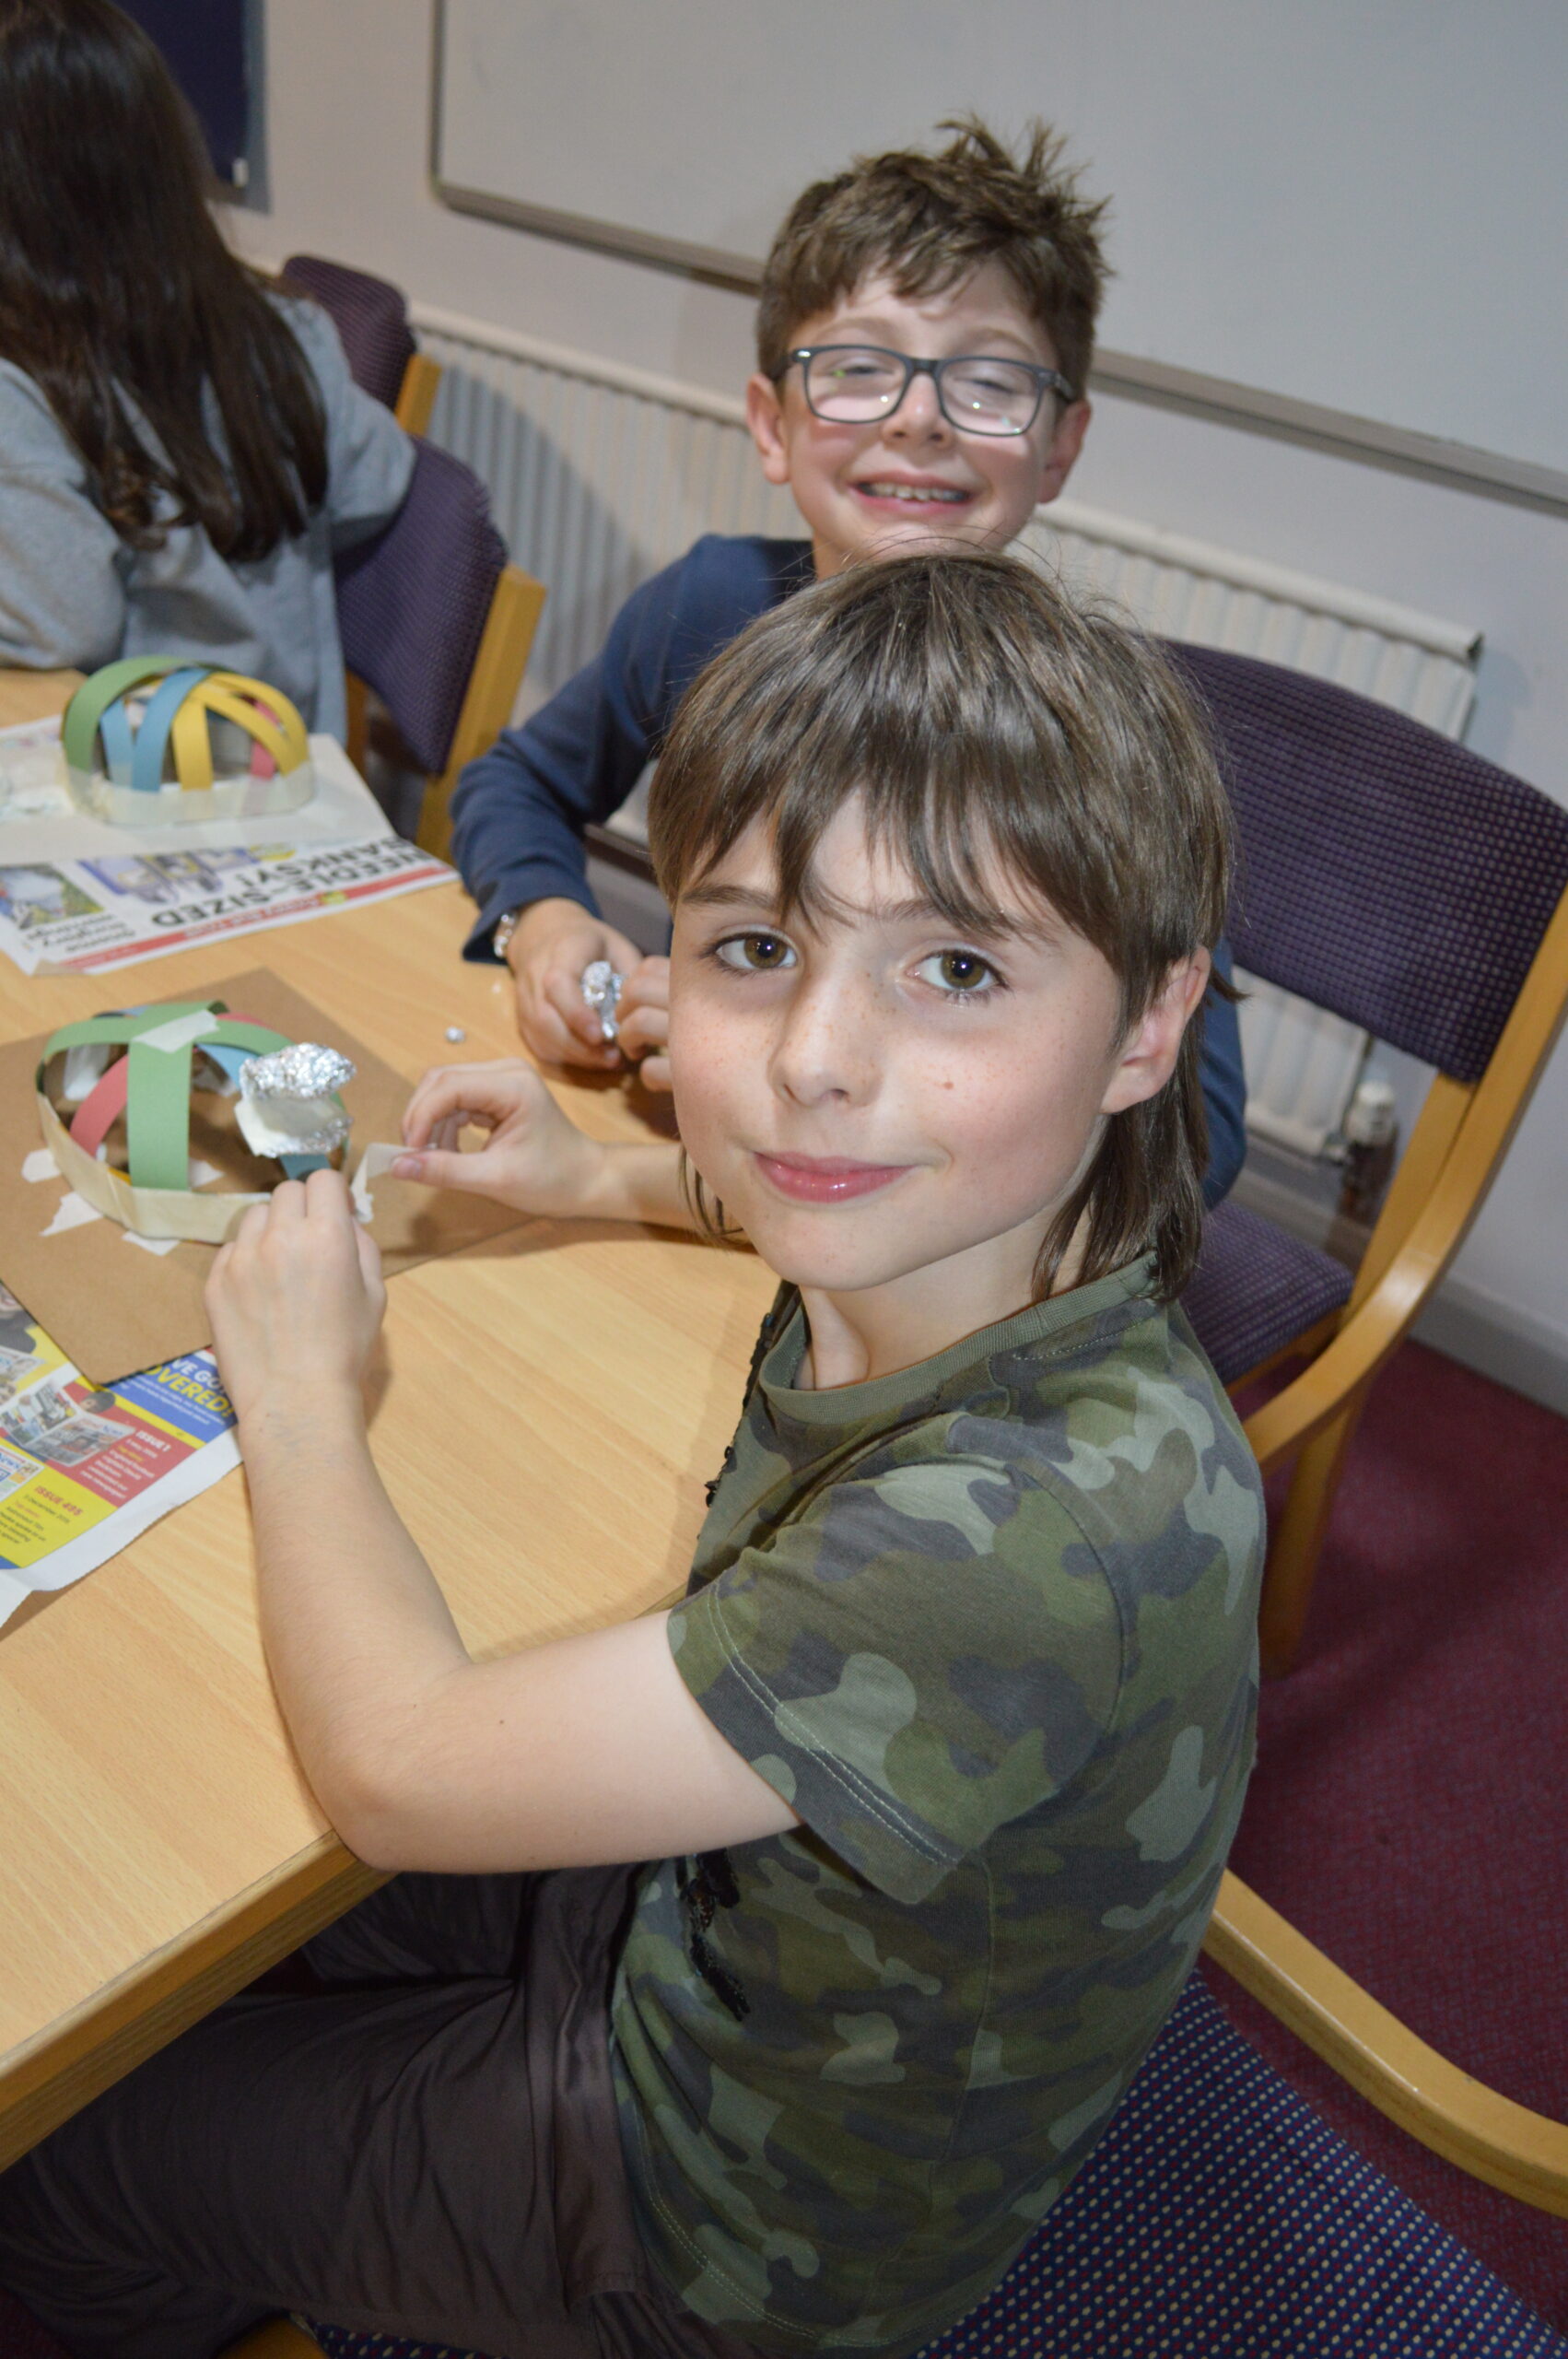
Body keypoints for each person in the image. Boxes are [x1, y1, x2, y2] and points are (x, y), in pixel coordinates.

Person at [0, 551, 1265, 2359]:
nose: (814, 1063)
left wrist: (294, 1392)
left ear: (1149, 1023)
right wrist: (590, 1173)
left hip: (733, 2218)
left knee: (58, 2156)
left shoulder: (1007, 1538)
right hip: (715, 1920)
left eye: (956, 968)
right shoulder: (989, 1236)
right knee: (196, 1896)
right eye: (753, 947)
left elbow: (399, 1772)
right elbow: (798, 1183)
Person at [450, 119, 1247, 1210]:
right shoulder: (708, 608)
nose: (918, 419)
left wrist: (755, 1059)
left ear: (1059, 445)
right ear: (771, 423)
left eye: (989, 382)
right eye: (860, 369)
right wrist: (542, 916)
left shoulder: (1093, 735)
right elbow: (514, 782)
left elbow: (1199, 1143)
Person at [0, 0, 414, 744]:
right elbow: (375, 481)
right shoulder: (284, 326)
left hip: (152, 780)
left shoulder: (22, 382)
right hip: (291, 759)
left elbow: (60, 626)